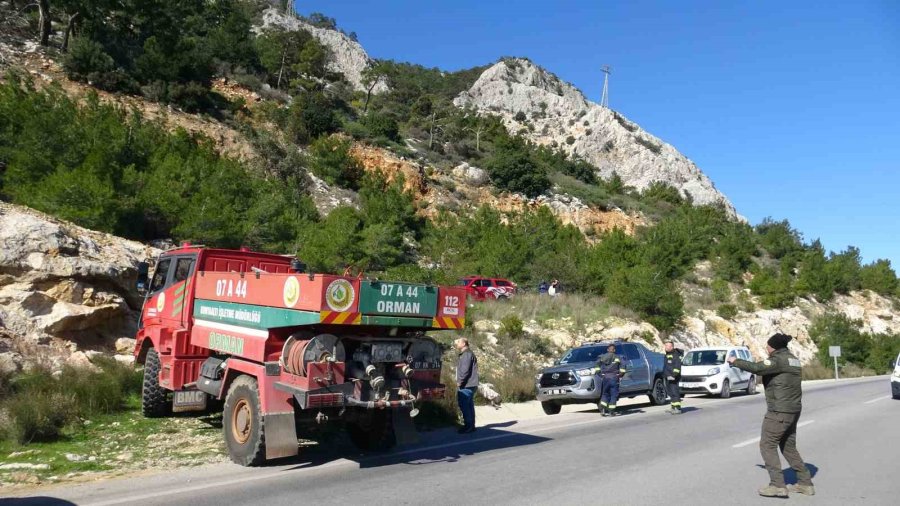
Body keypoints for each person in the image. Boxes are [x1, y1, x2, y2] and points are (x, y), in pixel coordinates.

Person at [728, 333, 815, 498]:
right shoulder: (792, 359)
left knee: (767, 445)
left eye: (768, 346)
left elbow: (757, 368)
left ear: (773, 347)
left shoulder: (778, 360)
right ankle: (805, 483)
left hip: (779, 410)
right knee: (788, 447)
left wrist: (735, 361)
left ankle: (777, 485)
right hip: (792, 409)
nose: (766, 348)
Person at [594, 344, 626, 416]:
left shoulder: (602, 357)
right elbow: (623, 366)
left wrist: (600, 374)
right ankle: (611, 411)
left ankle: (603, 410)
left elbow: (596, 365)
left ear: (607, 350)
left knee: (605, 394)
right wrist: (620, 374)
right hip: (614, 378)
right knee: (613, 395)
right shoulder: (618, 357)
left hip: (605, 378)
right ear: (614, 350)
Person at [455, 337, 479, 434]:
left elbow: (465, 370)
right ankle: (471, 426)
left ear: (464, 343)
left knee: (464, 405)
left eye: (458, 342)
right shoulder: (468, 354)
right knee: (469, 405)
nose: (456, 343)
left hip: (467, 385)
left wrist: (460, 381)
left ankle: (468, 426)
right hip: (471, 384)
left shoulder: (466, 355)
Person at [663, 341, 683, 414]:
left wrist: (674, 375)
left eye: (668, 346)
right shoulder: (667, 355)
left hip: (673, 377)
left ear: (672, 347)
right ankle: (673, 407)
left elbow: (677, 366)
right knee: (670, 392)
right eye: (665, 346)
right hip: (668, 376)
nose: (666, 347)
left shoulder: (675, 355)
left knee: (674, 392)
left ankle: (678, 408)